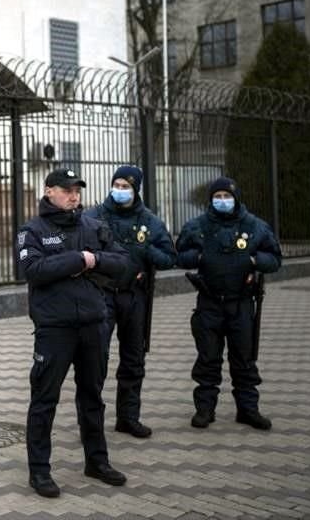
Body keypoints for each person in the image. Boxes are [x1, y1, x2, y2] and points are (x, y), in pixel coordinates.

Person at [16, 167, 130, 498]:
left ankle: (97, 461)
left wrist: (93, 260)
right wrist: (80, 259)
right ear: (49, 191)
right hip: (55, 329)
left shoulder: (94, 226)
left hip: (94, 324)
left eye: (77, 189)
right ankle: (39, 471)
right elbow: (34, 270)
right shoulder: (32, 230)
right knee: (44, 399)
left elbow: (122, 263)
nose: (74, 195)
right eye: (66, 189)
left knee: (92, 397)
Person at [176, 176, 282, 431]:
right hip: (209, 303)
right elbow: (179, 255)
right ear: (211, 200)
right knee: (208, 358)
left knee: (244, 359)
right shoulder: (198, 226)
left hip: (241, 304)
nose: (222, 201)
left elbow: (275, 258)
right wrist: (199, 257)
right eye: (217, 197)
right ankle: (205, 409)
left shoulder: (254, 226)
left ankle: (247, 410)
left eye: (227, 196)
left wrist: (255, 261)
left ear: (236, 198)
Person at [86, 165, 176, 439]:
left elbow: (170, 257)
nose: (120, 191)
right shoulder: (94, 216)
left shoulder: (150, 221)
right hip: (101, 295)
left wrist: (148, 250)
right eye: (117, 185)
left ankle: (128, 417)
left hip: (134, 297)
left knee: (134, 359)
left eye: (126, 186)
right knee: (94, 359)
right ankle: (91, 423)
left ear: (136, 189)